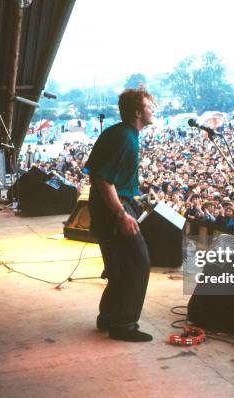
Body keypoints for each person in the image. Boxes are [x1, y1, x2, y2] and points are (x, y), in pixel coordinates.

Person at [85, 88, 155, 342]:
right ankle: (124, 324)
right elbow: (104, 180)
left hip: (107, 204)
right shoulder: (125, 138)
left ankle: (108, 317)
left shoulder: (119, 133)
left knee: (118, 265)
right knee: (138, 262)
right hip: (113, 207)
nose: (153, 110)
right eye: (149, 106)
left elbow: (95, 172)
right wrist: (121, 213)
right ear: (138, 112)